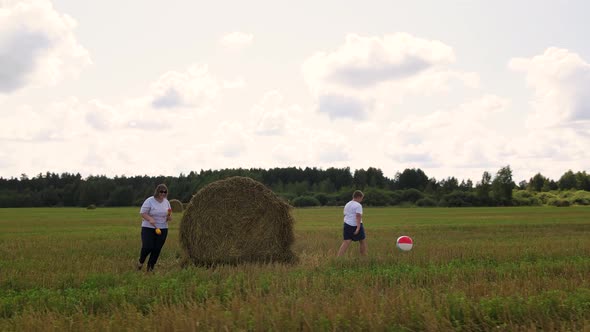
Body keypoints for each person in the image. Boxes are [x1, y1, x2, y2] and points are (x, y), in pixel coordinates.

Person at [137, 184, 172, 271]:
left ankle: (150, 268)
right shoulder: (150, 201)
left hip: (163, 228)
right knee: (147, 247)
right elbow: (142, 212)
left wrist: (169, 217)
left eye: (165, 192)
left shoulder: (166, 202)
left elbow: (169, 213)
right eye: (161, 191)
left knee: (157, 249)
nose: (163, 193)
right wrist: (150, 218)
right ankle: (140, 262)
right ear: (157, 191)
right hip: (148, 227)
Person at [337, 190, 367, 257]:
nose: (361, 200)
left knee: (346, 242)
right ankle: (364, 257)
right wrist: (358, 228)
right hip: (355, 225)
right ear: (358, 197)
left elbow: (345, 215)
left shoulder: (347, 204)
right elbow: (358, 216)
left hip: (347, 224)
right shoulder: (358, 205)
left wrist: (345, 224)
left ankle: (338, 258)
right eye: (361, 198)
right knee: (362, 241)